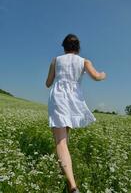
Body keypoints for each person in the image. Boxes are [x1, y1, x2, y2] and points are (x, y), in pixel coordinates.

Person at [45, 34, 106, 193]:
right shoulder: (85, 61)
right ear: (78, 48)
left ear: (64, 47)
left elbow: (48, 83)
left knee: (60, 141)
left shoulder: (56, 60)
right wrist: (103, 75)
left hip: (58, 98)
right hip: (74, 100)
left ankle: (72, 186)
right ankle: (63, 168)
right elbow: (96, 77)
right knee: (65, 137)